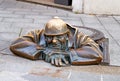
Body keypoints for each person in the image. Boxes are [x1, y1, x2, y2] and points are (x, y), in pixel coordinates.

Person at [10, 17, 103, 67]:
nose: (54, 41)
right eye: (50, 37)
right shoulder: (39, 34)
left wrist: (67, 54)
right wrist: (42, 51)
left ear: (67, 35)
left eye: (59, 37)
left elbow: (96, 53)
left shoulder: (79, 37)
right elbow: (16, 43)